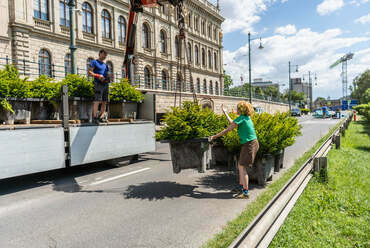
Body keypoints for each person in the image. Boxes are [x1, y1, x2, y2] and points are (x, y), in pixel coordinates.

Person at [210, 101, 259, 199]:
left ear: (240, 110)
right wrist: (225, 113)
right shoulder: (245, 118)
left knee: (242, 167)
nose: (236, 109)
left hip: (249, 145)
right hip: (250, 144)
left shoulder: (242, 118)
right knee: (240, 166)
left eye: (237, 108)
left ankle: (245, 193)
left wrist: (214, 136)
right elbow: (233, 123)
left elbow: (228, 129)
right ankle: (241, 188)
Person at [88, 49, 111, 124]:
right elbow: (90, 72)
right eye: (104, 54)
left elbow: (107, 74)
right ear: (100, 53)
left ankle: (101, 117)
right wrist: (98, 75)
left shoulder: (105, 65)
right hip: (98, 83)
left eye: (106, 55)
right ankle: (94, 117)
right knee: (97, 100)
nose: (105, 56)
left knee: (105, 101)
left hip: (105, 84)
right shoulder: (94, 62)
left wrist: (109, 77)